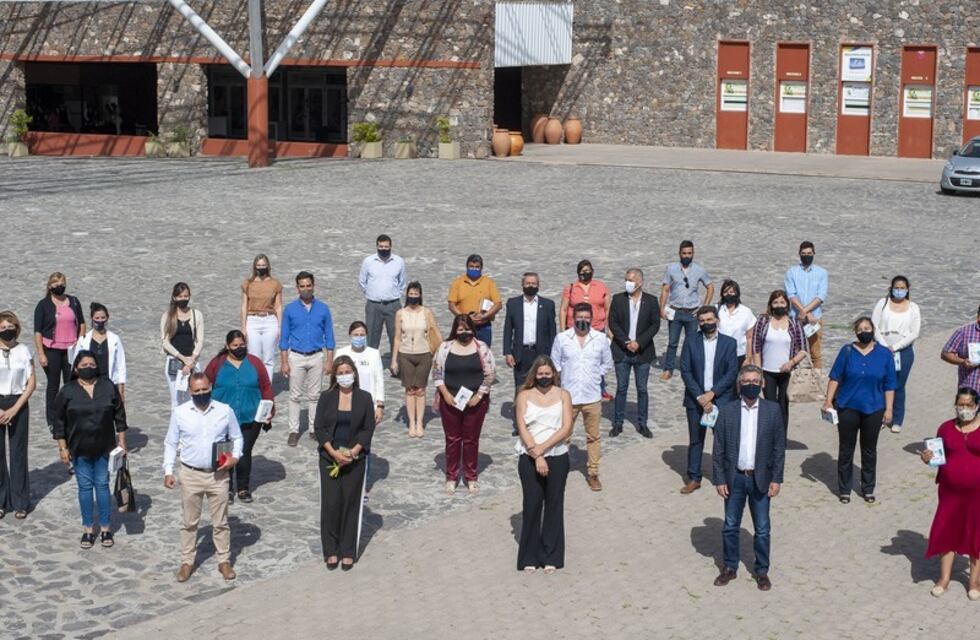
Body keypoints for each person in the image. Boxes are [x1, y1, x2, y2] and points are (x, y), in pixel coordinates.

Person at [711, 365, 786, 591]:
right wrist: (719, 479)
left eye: (755, 381)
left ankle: (761, 570)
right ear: (739, 384)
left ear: (762, 384)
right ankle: (730, 567)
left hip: (760, 478)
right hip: (735, 477)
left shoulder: (772, 411)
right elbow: (719, 448)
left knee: (762, 528)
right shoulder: (728, 411)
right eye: (746, 381)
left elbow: (778, 448)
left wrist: (777, 479)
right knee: (730, 525)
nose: (751, 385)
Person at [163, 373, 243, 582]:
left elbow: (236, 437)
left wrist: (235, 457)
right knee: (189, 522)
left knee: (221, 522)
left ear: (210, 388)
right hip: (191, 474)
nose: (201, 394)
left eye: (204, 390)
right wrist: (168, 470)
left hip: (218, 474)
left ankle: (224, 560)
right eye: (196, 391)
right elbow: (171, 442)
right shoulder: (180, 413)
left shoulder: (224, 411)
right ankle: (187, 561)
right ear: (190, 391)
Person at [52, 351, 127, 549]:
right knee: (85, 487)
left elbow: (119, 415)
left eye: (91, 363)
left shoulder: (107, 386)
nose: (88, 367)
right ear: (76, 368)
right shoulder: (67, 391)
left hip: (104, 446)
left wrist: (122, 441)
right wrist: (62, 447)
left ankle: (105, 527)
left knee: (102, 485)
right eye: (83, 364)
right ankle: (87, 528)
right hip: (79, 447)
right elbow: (58, 421)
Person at [823, 317, 897, 504]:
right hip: (848, 407)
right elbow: (835, 378)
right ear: (855, 332)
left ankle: (868, 488)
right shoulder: (846, 351)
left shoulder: (884, 354)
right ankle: (844, 489)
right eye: (860, 329)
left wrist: (889, 409)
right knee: (846, 449)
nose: (864, 331)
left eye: (867, 328)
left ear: (873, 330)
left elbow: (890, 384)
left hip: (874, 408)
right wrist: (828, 401)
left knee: (869, 450)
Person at [314, 356, 376, 570]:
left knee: (350, 502)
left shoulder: (365, 398)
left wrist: (353, 451)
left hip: (354, 458)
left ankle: (348, 550)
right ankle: (331, 549)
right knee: (331, 503)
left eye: (347, 371)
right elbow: (319, 427)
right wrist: (333, 452)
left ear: (354, 373)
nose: (344, 376)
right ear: (334, 376)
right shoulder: (327, 397)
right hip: (329, 457)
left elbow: (368, 428)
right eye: (340, 373)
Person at [515, 356, 573, 574]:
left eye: (548, 374)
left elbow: (566, 427)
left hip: (557, 455)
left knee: (554, 505)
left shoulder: (563, 395)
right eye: (540, 374)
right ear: (534, 375)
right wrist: (536, 454)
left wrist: (544, 449)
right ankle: (529, 555)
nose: (544, 377)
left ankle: (551, 555)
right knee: (532, 505)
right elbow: (522, 426)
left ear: (554, 374)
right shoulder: (524, 395)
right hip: (529, 456)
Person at [920, 388, 980, 600]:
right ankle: (943, 579)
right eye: (961, 405)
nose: (964, 409)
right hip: (950, 491)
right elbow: (936, 455)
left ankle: (974, 581)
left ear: (977, 406)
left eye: (969, 406)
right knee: (948, 532)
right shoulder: (945, 428)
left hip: (977, 495)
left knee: (977, 534)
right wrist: (927, 458)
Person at [204, 330, 274, 503]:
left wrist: (270, 411)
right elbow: (205, 383)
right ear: (228, 346)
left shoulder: (255, 363)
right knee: (224, 451)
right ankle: (226, 488)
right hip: (222, 418)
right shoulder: (217, 363)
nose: (239, 348)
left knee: (244, 452)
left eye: (242, 345)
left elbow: (265, 386)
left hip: (250, 417)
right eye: (235, 345)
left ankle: (243, 487)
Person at [550, 303, 613, 492]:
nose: (583, 321)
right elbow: (555, 364)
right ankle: (559, 472)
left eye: (586, 317)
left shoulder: (601, 339)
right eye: (579, 317)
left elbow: (607, 364)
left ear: (591, 318)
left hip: (591, 396)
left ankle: (593, 473)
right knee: (564, 436)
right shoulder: (562, 339)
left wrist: (593, 375)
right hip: (569, 396)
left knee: (593, 436)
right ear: (573, 318)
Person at [432, 314, 495, 494]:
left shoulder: (481, 348)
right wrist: (446, 394)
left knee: (471, 440)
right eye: (460, 329)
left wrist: (479, 395)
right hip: (450, 401)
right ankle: (451, 476)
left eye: (467, 329)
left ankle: (471, 476)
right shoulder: (445, 348)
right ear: (455, 330)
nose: (464, 332)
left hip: (475, 402)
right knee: (452, 440)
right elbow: (437, 374)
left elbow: (489, 374)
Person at [679, 306, 738, 494]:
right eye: (702, 320)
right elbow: (686, 371)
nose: (706, 323)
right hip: (696, 398)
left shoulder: (729, 343)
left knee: (723, 440)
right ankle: (694, 477)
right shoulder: (691, 341)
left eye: (709, 319)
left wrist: (712, 394)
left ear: (717, 320)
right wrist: (700, 397)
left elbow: (731, 373)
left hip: (721, 398)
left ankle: (724, 476)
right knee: (696, 440)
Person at [279, 271, 335, 447]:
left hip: (316, 355)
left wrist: (329, 360)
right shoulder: (290, 309)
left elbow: (330, 336)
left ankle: (313, 429)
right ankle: (293, 430)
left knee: (314, 396)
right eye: (302, 286)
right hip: (296, 356)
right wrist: (284, 362)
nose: (305, 289)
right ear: (297, 288)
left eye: (308, 285)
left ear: (313, 285)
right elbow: (284, 338)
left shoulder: (323, 308)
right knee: (295, 396)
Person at [608, 267, 661, 438]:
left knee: (642, 388)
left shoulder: (651, 301)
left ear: (640, 282)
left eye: (631, 280)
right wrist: (626, 342)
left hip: (642, 352)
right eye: (626, 279)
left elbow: (655, 325)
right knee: (621, 387)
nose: (628, 283)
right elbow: (613, 323)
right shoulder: (618, 299)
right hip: (622, 351)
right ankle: (618, 422)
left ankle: (642, 423)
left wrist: (639, 342)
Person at [503, 272, 557, 434]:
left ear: (538, 285)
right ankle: (520, 423)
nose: (531, 286)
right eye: (528, 283)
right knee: (521, 388)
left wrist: (552, 354)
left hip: (540, 353)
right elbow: (508, 329)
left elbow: (552, 331)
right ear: (522, 284)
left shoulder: (547, 305)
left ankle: (541, 419)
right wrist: (507, 352)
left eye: (534, 283)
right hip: (521, 352)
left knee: (542, 386)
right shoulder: (513, 304)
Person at [749, 290, 808, 432]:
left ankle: (781, 438)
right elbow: (756, 348)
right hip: (767, 371)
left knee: (783, 404)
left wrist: (791, 362)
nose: (779, 305)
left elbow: (804, 350)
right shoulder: (763, 321)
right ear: (771, 305)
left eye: (782, 302)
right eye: (775, 302)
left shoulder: (794, 323)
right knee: (769, 405)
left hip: (787, 372)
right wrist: (759, 372)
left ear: (787, 305)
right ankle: (769, 435)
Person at [34, 272, 85, 430]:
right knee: (53, 385)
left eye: (62, 283)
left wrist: (80, 342)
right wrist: (41, 353)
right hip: (52, 349)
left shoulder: (74, 301)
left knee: (72, 384)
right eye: (55, 284)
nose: (59, 287)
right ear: (50, 286)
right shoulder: (43, 305)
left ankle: (72, 415)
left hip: (71, 349)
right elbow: (38, 332)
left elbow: (82, 323)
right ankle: (52, 419)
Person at [871, 276, 921, 433]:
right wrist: (885, 346)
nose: (899, 291)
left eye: (902, 288)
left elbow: (914, 332)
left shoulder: (913, 307)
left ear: (907, 289)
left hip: (903, 352)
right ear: (891, 288)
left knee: (898, 385)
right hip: (882, 349)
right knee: (880, 383)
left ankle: (896, 418)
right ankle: (880, 415)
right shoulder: (883, 303)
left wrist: (896, 347)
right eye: (896, 288)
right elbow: (874, 325)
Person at [390, 282, 440, 437]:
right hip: (405, 354)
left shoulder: (426, 312)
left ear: (420, 295)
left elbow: (434, 332)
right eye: (410, 294)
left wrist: (439, 352)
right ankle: (412, 421)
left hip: (424, 353)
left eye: (415, 294)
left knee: (421, 389)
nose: (413, 297)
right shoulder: (400, 313)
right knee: (410, 389)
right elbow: (397, 337)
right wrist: (394, 359)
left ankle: (420, 421)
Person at [660, 241, 714, 380]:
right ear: (679, 253)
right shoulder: (671, 269)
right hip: (675, 310)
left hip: (692, 312)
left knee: (692, 342)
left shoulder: (699, 269)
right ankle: (668, 368)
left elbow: (710, 287)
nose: (687, 256)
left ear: (693, 254)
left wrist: (704, 307)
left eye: (689, 253)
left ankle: (689, 368)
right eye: (684, 253)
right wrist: (662, 307)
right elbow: (665, 289)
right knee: (672, 342)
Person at [0, 311, 36, 520]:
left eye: (10, 326)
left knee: (18, 453)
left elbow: (31, 382)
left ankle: (21, 501)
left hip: (18, 402)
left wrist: (15, 408)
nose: (7, 330)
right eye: (3, 327)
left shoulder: (24, 350)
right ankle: (2, 500)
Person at [784, 241, 828, 370]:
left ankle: (818, 382)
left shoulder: (822, 273)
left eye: (809, 253)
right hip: (795, 318)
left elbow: (821, 296)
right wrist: (805, 313)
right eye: (803, 253)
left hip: (815, 319)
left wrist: (806, 312)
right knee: (793, 352)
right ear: (799, 254)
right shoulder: (791, 272)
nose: (806, 255)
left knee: (816, 354)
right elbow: (791, 295)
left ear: (814, 253)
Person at [359, 234, 406, 352]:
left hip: (393, 304)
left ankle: (395, 363)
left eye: (386, 246)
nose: (384, 249)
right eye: (381, 246)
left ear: (390, 246)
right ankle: (371, 363)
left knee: (396, 335)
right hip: (373, 305)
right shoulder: (368, 261)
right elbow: (362, 281)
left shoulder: (399, 261)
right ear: (376, 246)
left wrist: (393, 294)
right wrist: (373, 294)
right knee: (371, 337)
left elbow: (402, 282)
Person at [240, 254, 283, 382]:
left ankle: (267, 387)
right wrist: (243, 327)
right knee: (254, 356)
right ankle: (255, 385)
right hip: (252, 320)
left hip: (270, 320)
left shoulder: (275, 283)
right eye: (259, 265)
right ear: (254, 267)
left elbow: (278, 306)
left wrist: (280, 327)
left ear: (268, 266)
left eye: (263, 265)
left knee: (269, 357)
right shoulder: (248, 283)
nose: (261, 268)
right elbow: (243, 306)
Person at [160, 282, 204, 408]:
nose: (183, 299)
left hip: (193, 361)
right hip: (174, 361)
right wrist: (183, 359)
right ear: (174, 298)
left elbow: (200, 340)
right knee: (177, 401)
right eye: (180, 296)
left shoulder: (197, 315)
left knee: (194, 398)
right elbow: (165, 342)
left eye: (186, 296)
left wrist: (192, 360)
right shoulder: (167, 316)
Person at [73, 303, 127, 402]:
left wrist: (121, 391)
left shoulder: (114, 339)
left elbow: (121, 366)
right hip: (88, 385)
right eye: (97, 318)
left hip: (109, 384)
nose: (100, 320)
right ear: (92, 318)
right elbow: (75, 364)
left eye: (103, 317)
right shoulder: (83, 340)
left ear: (107, 318)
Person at [336, 322, 385, 425]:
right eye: (356, 335)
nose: (359, 337)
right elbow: (335, 379)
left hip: (367, 404)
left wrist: (380, 406)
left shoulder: (374, 354)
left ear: (366, 336)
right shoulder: (341, 352)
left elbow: (379, 381)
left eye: (362, 335)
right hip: (345, 403)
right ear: (350, 335)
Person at [447, 254, 501, 347]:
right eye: (471, 266)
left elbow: (498, 304)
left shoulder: (489, 282)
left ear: (481, 268)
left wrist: (484, 316)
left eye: (477, 267)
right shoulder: (458, 282)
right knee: (463, 353)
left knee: (483, 355)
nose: (474, 269)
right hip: (463, 326)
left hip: (484, 326)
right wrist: (465, 318)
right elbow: (451, 305)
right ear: (466, 267)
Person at [559, 260, 611, 333]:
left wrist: (609, 329)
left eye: (587, 270)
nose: (585, 273)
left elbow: (607, 309)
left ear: (592, 271)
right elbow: (563, 310)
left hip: (597, 329)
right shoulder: (570, 288)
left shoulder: (601, 287)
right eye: (582, 271)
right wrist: (562, 330)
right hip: (574, 329)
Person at [941, 303, 980, 395]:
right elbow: (946, 353)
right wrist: (962, 361)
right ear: (978, 315)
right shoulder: (963, 332)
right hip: (970, 389)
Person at [716, 279, 756, 369]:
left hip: (739, 354)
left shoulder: (746, 312)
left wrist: (749, 357)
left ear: (737, 293)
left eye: (732, 292)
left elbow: (749, 337)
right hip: (719, 354)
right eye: (726, 292)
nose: (729, 294)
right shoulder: (716, 310)